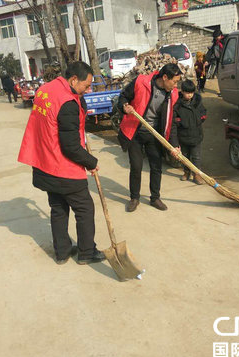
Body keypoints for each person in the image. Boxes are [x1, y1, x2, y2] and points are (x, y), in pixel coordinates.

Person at [18, 61, 105, 265]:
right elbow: (70, 146)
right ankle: (86, 252)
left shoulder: (46, 90)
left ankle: (62, 252)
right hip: (61, 166)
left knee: (58, 208)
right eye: (86, 85)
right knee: (84, 208)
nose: (88, 89)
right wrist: (90, 162)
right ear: (74, 80)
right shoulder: (67, 103)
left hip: (43, 162)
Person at [118, 63, 182, 212]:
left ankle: (155, 197)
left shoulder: (173, 94)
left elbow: (171, 121)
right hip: (135, 131)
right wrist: (124, 107)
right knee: (136, 166)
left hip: (155, 134)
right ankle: (134, 198)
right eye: (174, 81)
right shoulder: (141, 82)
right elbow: (123, 97)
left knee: (156, 166)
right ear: (165, 77)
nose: (175, 85)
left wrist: (175, 144)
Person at [170, 80, 206, 185]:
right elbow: (175, 119)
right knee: (185, 157)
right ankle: (186, 172)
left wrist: (200, 119)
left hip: (196, 135)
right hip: (183, 136)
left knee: (196, 157)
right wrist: (180, 122)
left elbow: (204, 112)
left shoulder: (197, 102)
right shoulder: (178, 105)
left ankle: (197, 174)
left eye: (192, 92)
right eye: (187, 92)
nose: (190, 95)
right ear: (182, 92)